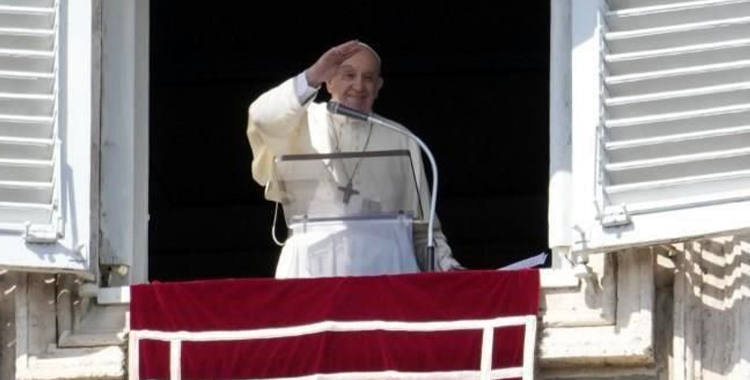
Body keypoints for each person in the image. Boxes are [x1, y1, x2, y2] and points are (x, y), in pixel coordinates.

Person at [247, 40, 462, 278]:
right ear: (328, 80)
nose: (359, 85)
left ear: (378, 86)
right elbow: (260, 117)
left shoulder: (401, 138)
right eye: (348, 75)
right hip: (312, 267)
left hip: (387, 269)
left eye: (368, 78)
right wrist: (312, 75)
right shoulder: (299, 123)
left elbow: (422, 231)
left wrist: (445, 265)